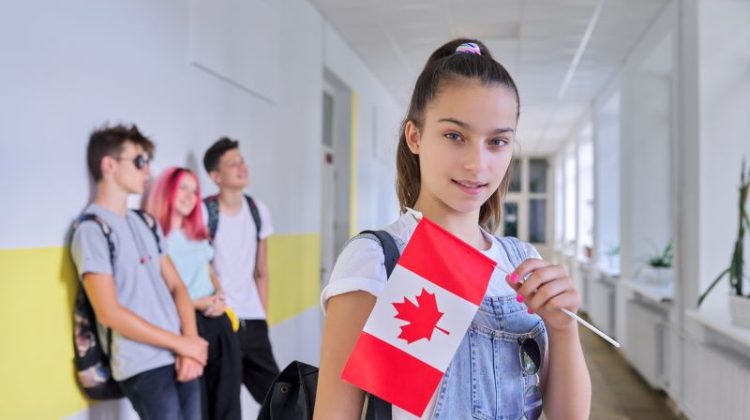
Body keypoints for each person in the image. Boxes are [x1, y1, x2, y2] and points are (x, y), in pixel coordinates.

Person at [314, 39, 591, 419]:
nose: (477, 165)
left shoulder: (522, 263)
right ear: (415, 137)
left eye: (497, 142)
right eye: (455, 136)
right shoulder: (378, 260)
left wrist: (562, 328)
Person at [70, 124, 208, 419]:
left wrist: (190, 345)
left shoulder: (145, 222)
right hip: (142, 364)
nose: (147, 170)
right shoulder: (92, 230)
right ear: (109, 165)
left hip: (181, 354)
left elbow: (178, 287)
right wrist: (182, 344)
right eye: (139, 161)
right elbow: (109, 312)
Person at [145, 166, 242, 420]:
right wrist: (200, 303)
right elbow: (163, 292)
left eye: (194, 190)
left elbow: (210, 270)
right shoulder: (157, 239)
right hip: (188, 326)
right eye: (183, 188)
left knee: (228, 406)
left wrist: (220, 295)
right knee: (198, 407)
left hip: (218, 323)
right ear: (167, 191)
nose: (190, 196)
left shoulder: (196, 236)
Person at [202, 138, 280, 403]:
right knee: (224, 403)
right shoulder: (204, 212)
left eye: (242, 160)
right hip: (220, 321)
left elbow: (261, 270)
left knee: (279, 400)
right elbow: (199, 266)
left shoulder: (258, 210)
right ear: (216, 176)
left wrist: (263, 315)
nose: (241, 167)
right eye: (232, 163)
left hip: (253, 320)